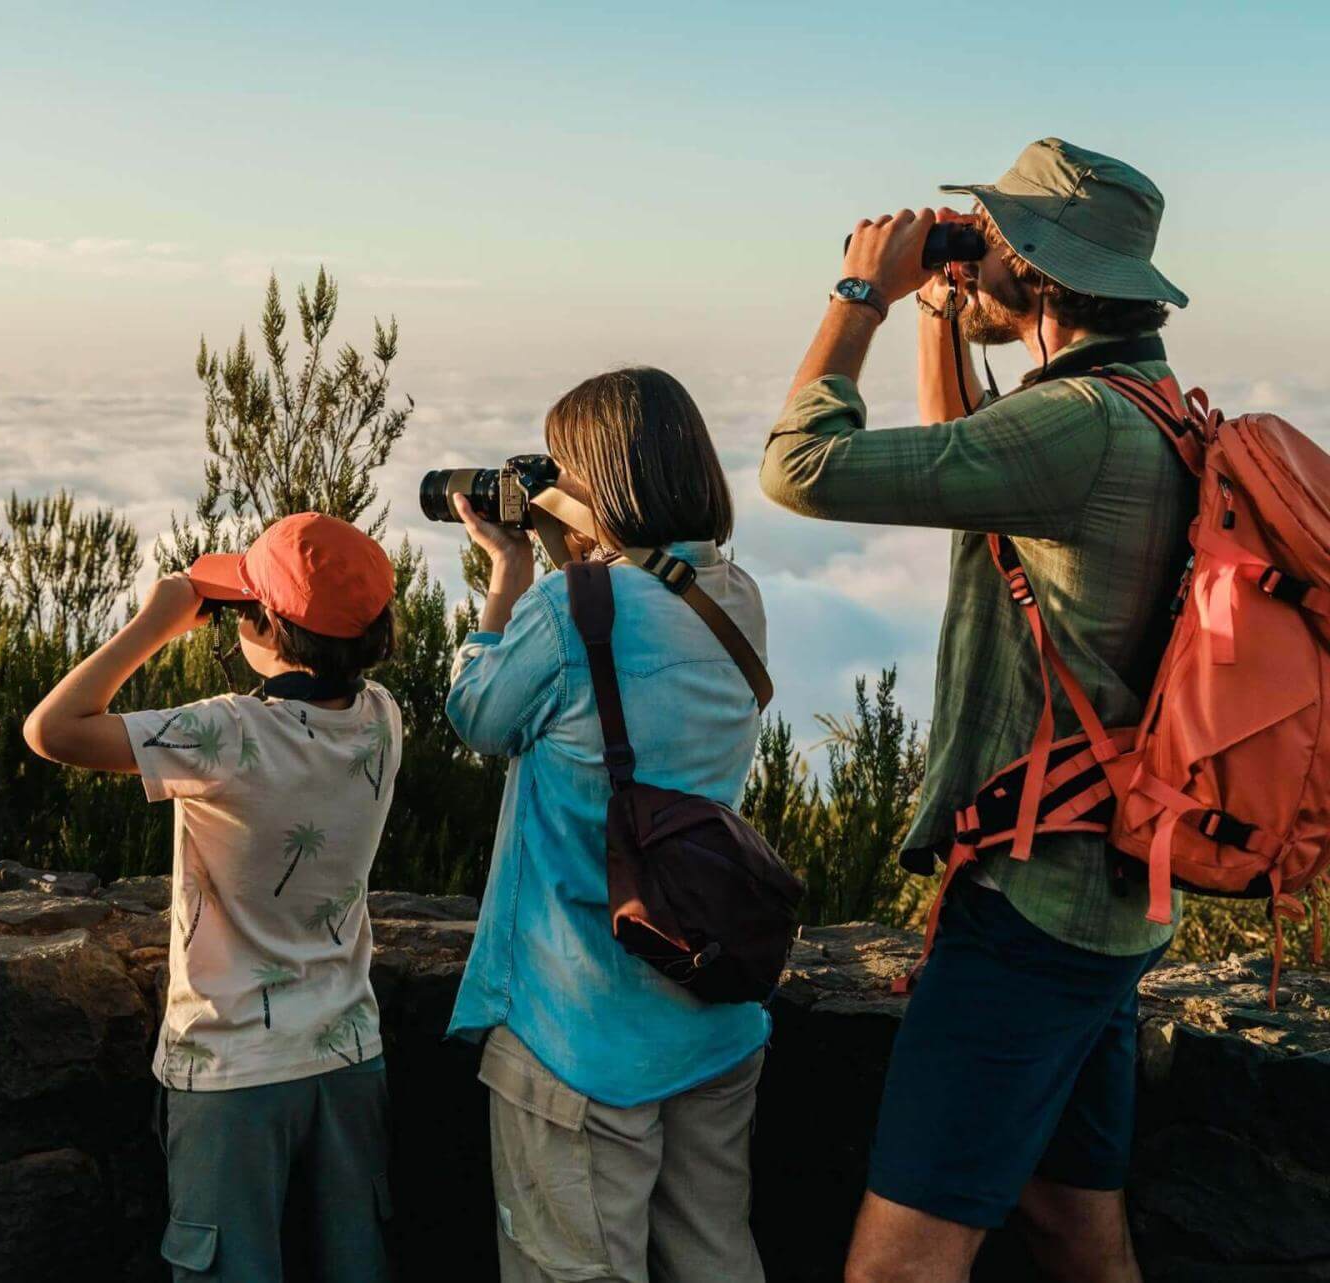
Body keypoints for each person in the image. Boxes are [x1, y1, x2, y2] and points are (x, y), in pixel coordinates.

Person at [759, 139, 1193, 1283]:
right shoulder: (1133, 403)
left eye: (989, 234)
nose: (971, 245)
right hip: (1108, 895)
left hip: (1028, 915)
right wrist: (940, 312)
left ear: (1042, 269)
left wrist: (860, 292)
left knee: (895, 1266)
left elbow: (800, 468)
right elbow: (968, 469)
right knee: (1069, 1223)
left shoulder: (1077, 429)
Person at [446, 366, 771, 1283]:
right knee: (715, 1263)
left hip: (577, 1027)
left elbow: (479, 716)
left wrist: (512, 574)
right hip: (711, 1012)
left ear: (594, 483)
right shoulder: (736, 595)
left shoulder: (567, 608)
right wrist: (579, 552)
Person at [23, 512, 402, 1283]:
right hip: (349, 1052)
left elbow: (52, 729)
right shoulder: (383, 718)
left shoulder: (226, 733)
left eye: (240, 613)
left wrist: (155, 624)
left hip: (231, 1066)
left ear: (267, 626)